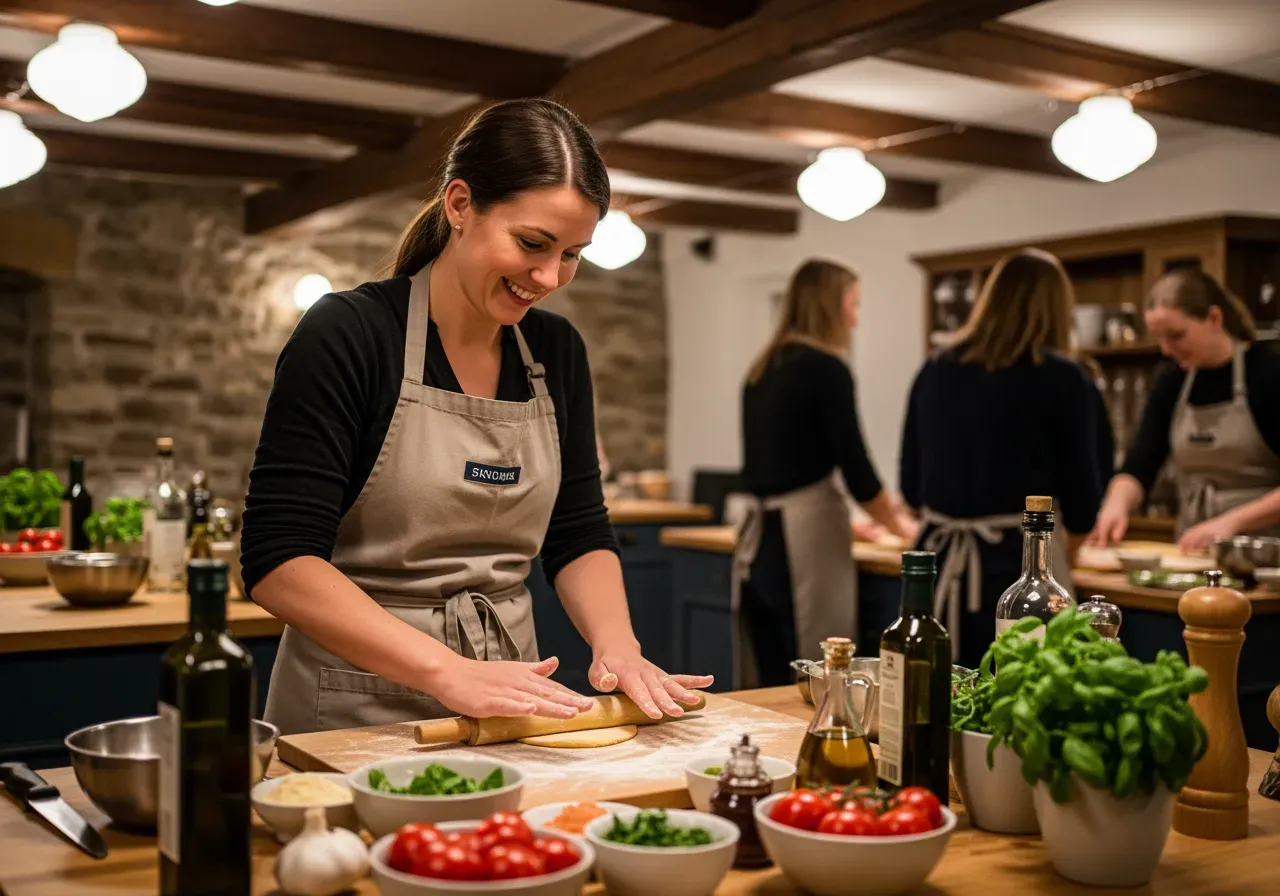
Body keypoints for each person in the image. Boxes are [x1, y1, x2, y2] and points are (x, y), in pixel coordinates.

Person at [241, 98, 711, 735]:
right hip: (351, 704)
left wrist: (618, 646)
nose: (549, 276)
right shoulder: (350, 333)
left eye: (573, 253)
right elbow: (279, 561)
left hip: (512, 705)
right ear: (459, 205)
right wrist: (444, 669)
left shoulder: (555, 351)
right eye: (532, 243)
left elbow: (577, 531)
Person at [899, 248, 1108, 669]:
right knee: (1018, 701)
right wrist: (1071, 552)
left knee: (935, 695)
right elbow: (1084, 497)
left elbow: (910, 484)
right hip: (1022, 568)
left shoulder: (935, 368)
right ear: (1057, 308)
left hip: (935, 567)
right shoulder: (1063, 378)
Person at [734, 259, 915, 689]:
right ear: (831, 305)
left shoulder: (762, 369)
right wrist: (900, 528)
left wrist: (854, 526)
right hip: (804, 538)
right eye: (852, 303)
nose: (855, 317)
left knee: (767, 670)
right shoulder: (825, 368)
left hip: (761, 537)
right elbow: (858, 469)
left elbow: (782, 465)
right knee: (816, 669)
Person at [1090, 268, 1280, 552]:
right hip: (1193, 550)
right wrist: (1115, 505)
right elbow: (1140, 464)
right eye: (1159, 338)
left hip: (1265, 555)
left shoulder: (1267, 372)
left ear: (1214, 319)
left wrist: (1231, 522)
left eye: (1176, 335)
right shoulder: (1173, 381)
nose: (1166, 349)